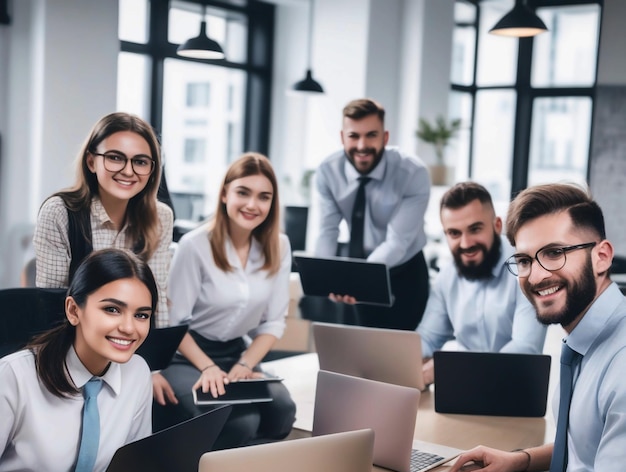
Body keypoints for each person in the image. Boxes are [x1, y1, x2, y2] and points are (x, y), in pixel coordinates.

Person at [395, 183, 626, 472]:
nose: (536, 275)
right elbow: (592, 448)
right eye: (524, 259)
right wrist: (519, 460)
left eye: (555, 252)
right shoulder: (581, 341)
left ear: (601, 256)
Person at [0, 249, 193, 472]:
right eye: (112, 309)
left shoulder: (137, 372)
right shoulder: (13, 376)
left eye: (141, 315)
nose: (129, 328)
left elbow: (131, 466)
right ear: (73, 310)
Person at [156, 153, 296, 450]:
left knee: (282, 412)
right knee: (239, 424)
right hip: (186, 354)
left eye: (263, 197)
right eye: (243, 192)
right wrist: (207, 368)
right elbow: (175, 323)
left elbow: (273, 322)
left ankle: (243, 460)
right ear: (224, 194)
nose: (252, 205)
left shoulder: (279, 246)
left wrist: (246, 364)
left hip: (236, 352)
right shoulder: (194, 246)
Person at [33, 112, 174, 330]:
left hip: (131, 342)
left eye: (140, 161)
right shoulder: (60, 212)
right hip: (73, 344)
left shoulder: (160, 217)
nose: (128, 171)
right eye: (115, 158)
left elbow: (156, 302)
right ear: (91, 161)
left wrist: (154, 360)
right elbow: (51, 307)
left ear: (152, 169)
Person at [312, 98, 430, 330]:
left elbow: (397, 242)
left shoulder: (412, 173)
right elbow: (327, 231)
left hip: (404, 272)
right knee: (354, 354)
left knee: (400, 356)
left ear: (385, 137)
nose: (362, 145)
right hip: (358, 266)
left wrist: (355, 281)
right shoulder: (328, 172)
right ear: (342, 138)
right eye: (354, 136)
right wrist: (325, 279)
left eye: (371, 135)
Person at [417, 181, 547, 386]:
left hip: (513, 388)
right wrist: (402, 361)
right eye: (454, 233)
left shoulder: (527, 270)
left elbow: (525, 349)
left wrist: (449, 369)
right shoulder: (446, 277)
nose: (466, 243)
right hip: (464, 391)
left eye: (475, 229)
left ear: (497, 226)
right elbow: (428, 338)